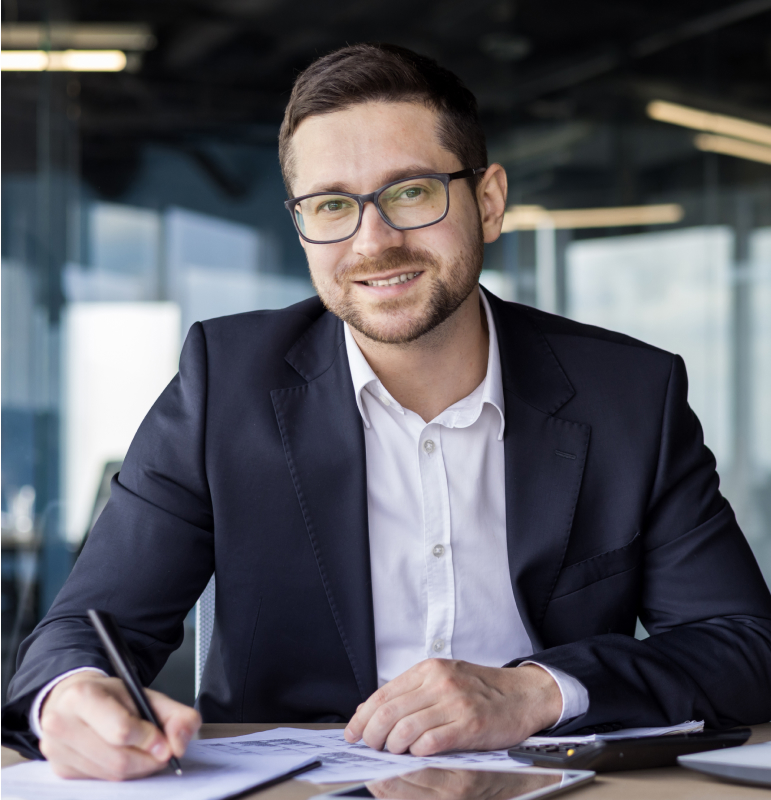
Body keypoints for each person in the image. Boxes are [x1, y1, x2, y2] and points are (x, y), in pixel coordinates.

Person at [3, 43, 771, 782]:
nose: (373, 241)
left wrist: (538, 690)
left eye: (410, 192)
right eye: (332, 205)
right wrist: (68, 699)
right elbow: (86, 627)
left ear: (489, 201)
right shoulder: (225, 385)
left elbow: (742, 646)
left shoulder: (626, 393)